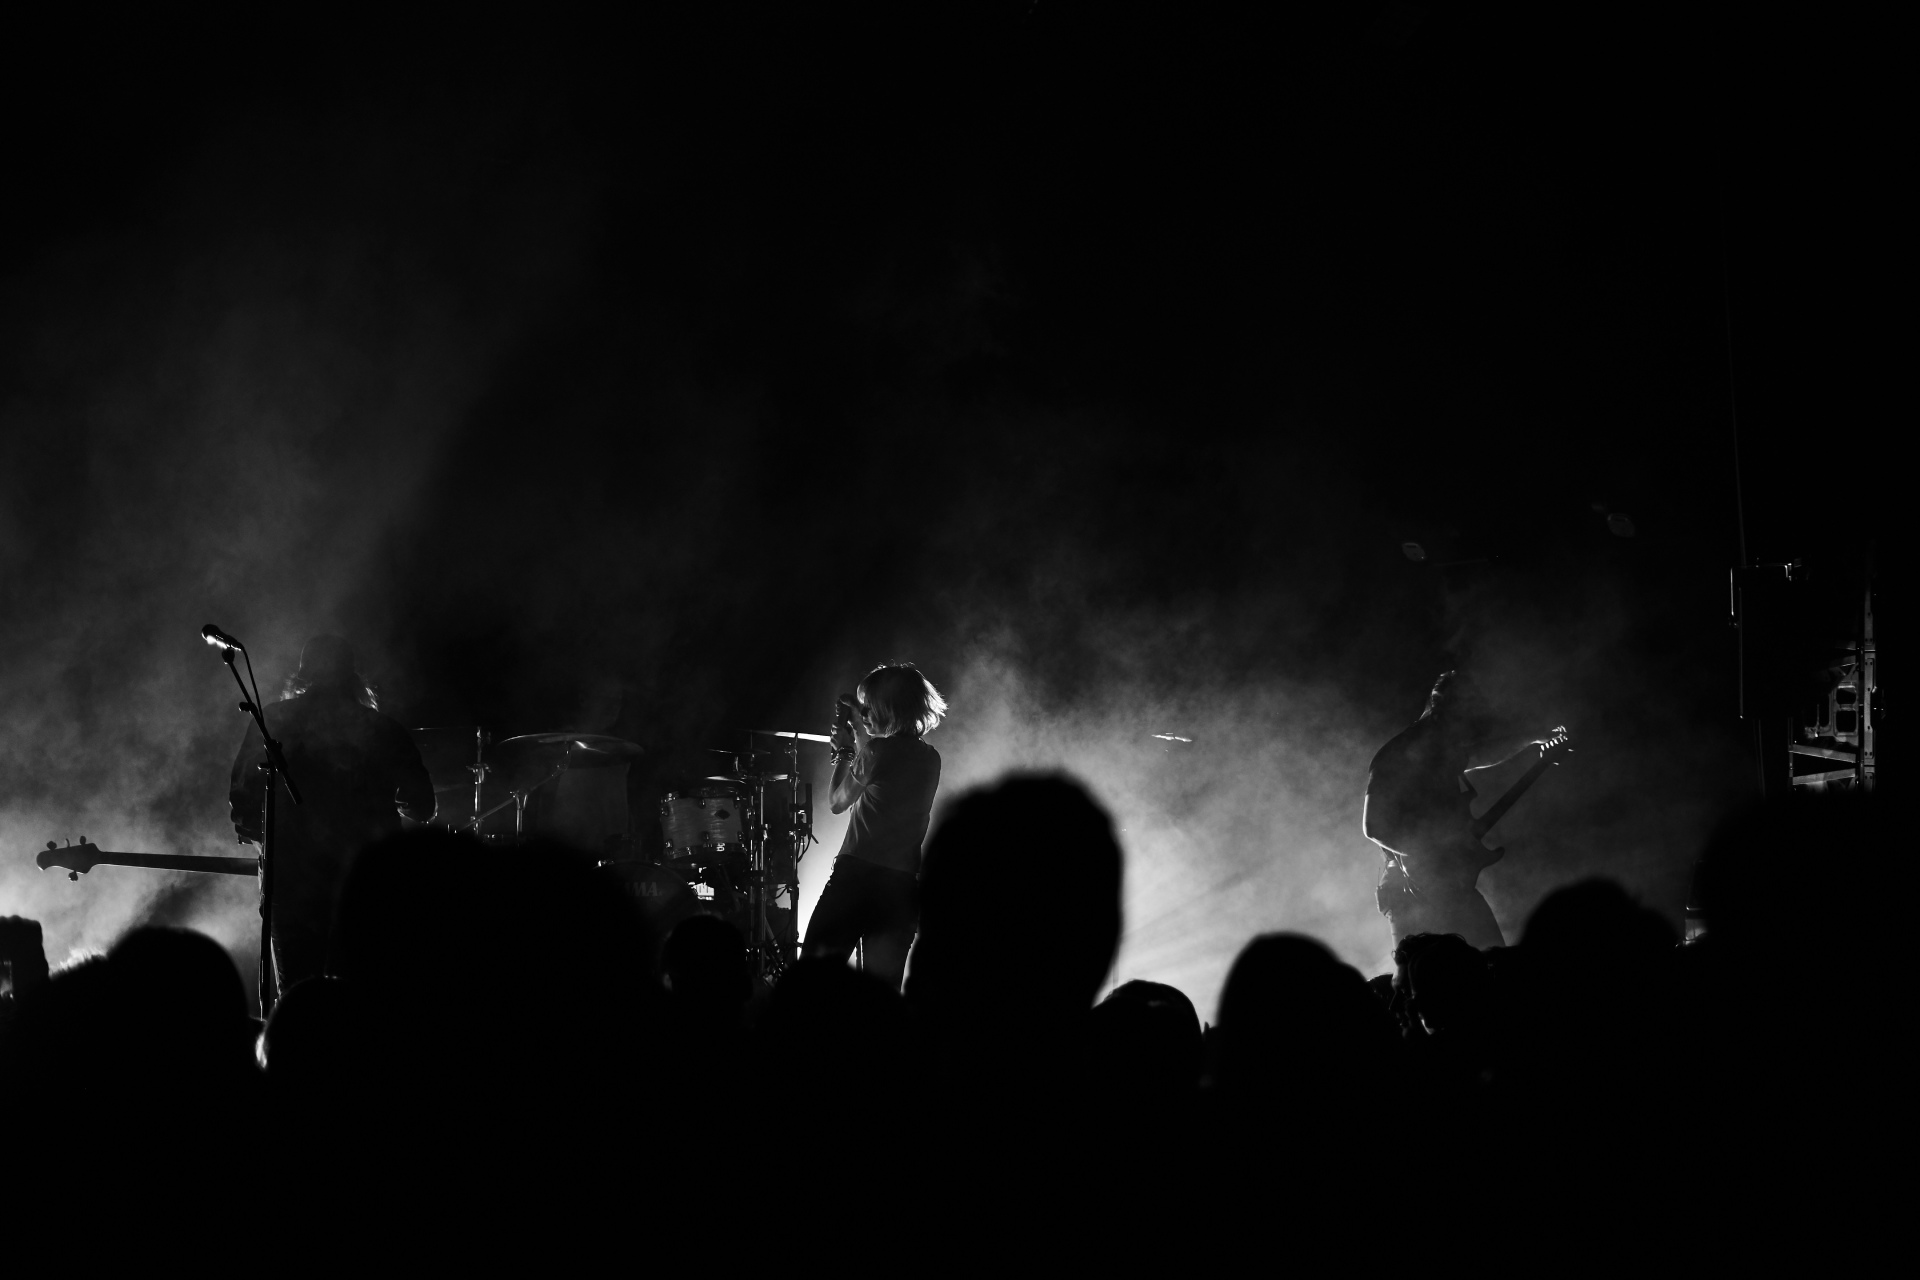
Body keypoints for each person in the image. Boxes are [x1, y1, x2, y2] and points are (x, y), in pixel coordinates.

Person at [228, 635, 434, 994]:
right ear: (353, 676)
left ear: (304, 676)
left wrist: (273, 831)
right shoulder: (383, 729)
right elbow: (423, 806)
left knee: (298, 998)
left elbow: (242, 802)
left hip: (292, 885)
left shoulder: (274, 720)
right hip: (364, 886)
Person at [1363, 670, 1557, 949]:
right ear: (1441, 708)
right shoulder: (1397, 755)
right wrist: (1431, 855)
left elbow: (1480, 754)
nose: (1465, 725)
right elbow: (1374, 826)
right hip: (1412, 890)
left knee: (1490, 961)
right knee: (1426, 977)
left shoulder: (1439, 750)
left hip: (1450, 886)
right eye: (1461, 715)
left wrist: (1533, 738)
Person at [801, 661, 945, 991]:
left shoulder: (876, 751)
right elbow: (891, 744)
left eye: (870, 707)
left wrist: (844, 751)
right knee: (881, 998)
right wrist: (859, 717)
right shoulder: (930, 757)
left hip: (856, 880)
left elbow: (837, 803)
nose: (864, 714)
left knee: (814, 979)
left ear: (888, 707)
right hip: (901, 889)